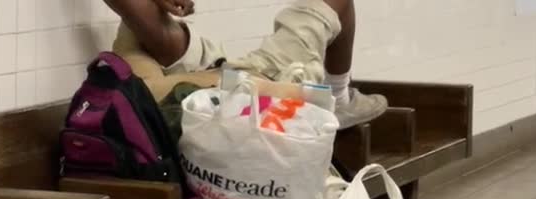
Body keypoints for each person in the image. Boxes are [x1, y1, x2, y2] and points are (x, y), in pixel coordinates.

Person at [103, 0, 388, 129]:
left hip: (199, 79)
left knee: (139, 32)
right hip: (252, 84)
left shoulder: (138, 76)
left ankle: (338, 96)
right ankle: (338, 97)